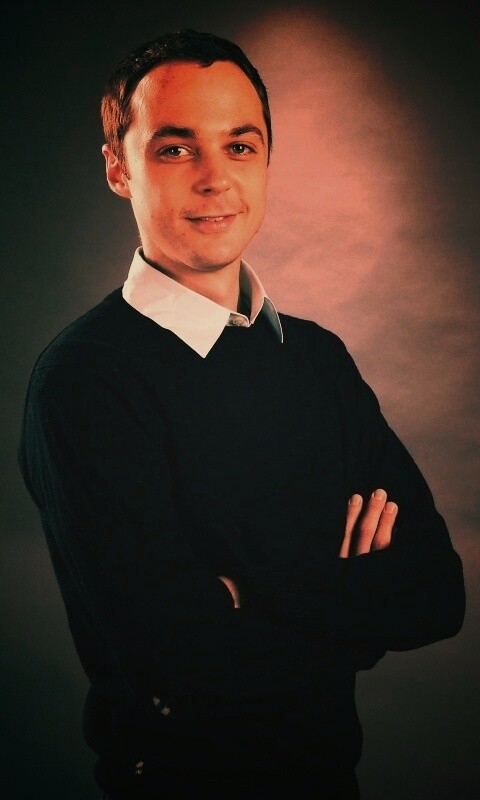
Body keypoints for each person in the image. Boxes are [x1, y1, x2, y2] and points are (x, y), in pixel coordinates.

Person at [17, 28, 465, 800]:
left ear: (265, 162)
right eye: (175, 148)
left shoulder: (317, 358)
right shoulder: (85, 381)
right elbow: (176, 665)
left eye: (240, 145)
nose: (215, 178)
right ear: (118, 168)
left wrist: (244, 586)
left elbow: (434, 595)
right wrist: (342, 587)